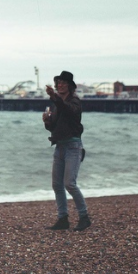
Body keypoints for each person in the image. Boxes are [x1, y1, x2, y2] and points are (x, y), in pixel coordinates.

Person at [42, 70, 91, 231]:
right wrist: (47, 121)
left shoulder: (74, 102)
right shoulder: (57, 105)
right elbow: (54, 128)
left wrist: (54, 97)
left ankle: (84, 217)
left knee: (69, 183)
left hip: (73, 147)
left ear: (70, 86)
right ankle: (63, 219)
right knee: (57, 185)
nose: (60, 85)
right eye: (58, 83)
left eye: (63, 83)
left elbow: (69, 110)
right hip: (60, 147)